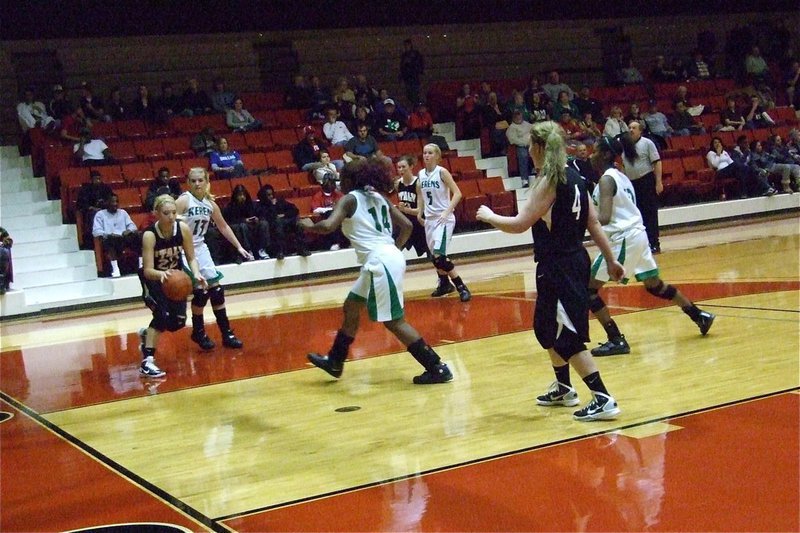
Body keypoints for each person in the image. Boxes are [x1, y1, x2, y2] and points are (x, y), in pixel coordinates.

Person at [476, 121, 624, 421]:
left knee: (565, 334)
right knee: (547, 328)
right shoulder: (577, 176)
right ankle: (564, 387)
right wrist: (610, 259)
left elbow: (519, 224)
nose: (528, 150)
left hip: (559, 265)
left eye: (531, 145)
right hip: (573, 260)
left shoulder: (551, 181)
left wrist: (490, 216)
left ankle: (603, 397)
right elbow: (593, 223)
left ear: (541, 147)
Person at [301, 158, 452, 384]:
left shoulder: (350, 199)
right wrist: (392, 250)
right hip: (383, 258)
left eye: (343, 178)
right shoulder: (379, 197)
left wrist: (307, 226)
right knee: (351, 306)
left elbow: (328, 226)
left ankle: (437, 367)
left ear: (351, 180)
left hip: (380, 261)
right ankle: (335, 361)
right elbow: (407, 226)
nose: (340, 181)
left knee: (394, 321)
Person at [586, 136, 716, 356]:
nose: (591, 154)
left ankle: (616, 339)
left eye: (595, 150)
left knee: (587, 290)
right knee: (654, 285)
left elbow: (605, 218)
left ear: (606, 154)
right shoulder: (621, 175)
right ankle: (698, 315)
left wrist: (582, 217)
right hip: (638, 235)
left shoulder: (607, 180)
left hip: (623, 238)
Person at [176, 168, 253, 351]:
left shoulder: (210, 204)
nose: (197, 184)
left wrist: (239, 247)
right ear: (188, 182)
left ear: (206, 181)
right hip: (184, 249)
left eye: (200, 180)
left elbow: (223, 226)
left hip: (201, 248)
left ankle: (227, 333)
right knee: (201, 292)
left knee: (216, 290)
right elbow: (168, 223)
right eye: (193, 181)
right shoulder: (183, 200)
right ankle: (198, 331)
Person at [138, 194, 207, 378]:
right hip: (154, 279)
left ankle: (147, 335)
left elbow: (191, 257)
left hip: (175, 278)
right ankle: (147, 361)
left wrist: (196, 273)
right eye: (166, 213)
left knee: (177, 323)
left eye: (173, 213)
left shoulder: (182, 228)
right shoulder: (150, 235)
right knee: (160, 315)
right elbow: (148, 270)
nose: (171, 216)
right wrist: (164, 275)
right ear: (156, 214)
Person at [417, 143, 471, 302]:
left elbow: (458, 193)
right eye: (425, 152)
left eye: (430, 153)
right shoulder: (421, 174)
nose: (426, 155)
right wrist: (420, 211)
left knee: (440, 257)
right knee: (435, 258)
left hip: (444, 219)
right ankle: (444, 284)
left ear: (437, 156)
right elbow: (421, 193)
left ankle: (461, 286)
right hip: (430, 220)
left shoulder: (442, 172)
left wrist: (447, 211)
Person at [620, 122, 663, 253]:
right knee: (636, 215)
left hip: (646, 181)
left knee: (650, 213)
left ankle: (654, 242)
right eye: (629, 128)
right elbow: (623, 165)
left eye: (634, 128)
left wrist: (658, 182)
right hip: (632, 184)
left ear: (640, 131)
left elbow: (657, 162)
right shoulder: (625, 146)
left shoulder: (647, 143)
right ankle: (642, 244)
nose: (631, 130)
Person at [707, 137, 775, 198]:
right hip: (720, 172)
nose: (717, 144)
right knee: (739, 166)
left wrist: (721, 153)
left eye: (719, 142)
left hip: (730, 169)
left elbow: (731, 162)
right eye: (715, 142)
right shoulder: (710, 153)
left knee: (746, 170)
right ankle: (761, 182)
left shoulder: (724, 152)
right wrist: (718, 154)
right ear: (712, 145)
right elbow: (715, 164)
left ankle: (762, 189)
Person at [256, 184, 311, 259]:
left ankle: (301, 248)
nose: (271, 197)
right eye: (268, 195)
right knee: (278, 222)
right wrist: (272, 206)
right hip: (272, 226)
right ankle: (280, 251)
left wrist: (284, 215)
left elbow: (294, 210)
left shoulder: (280, 201)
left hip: (285, 222)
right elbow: (267, 217)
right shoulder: (260, 206)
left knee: (298, 223)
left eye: (272, 194)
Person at [92, 193, 141, 277]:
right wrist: (108, 234)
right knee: (110, 240)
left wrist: (128, 230)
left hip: (124, 237)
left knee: (139, 236)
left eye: (116, 201)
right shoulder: (100, 214)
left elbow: (132, 226)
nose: (115, 204)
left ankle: (141, 265)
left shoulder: (123, 213)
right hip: (110, 239)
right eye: (112, 202)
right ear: (107, 202)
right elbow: (96, 231)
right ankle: (115, 269)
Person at [223, 184, 271, 259]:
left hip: (254, 226)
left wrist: (257, 219)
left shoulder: (252, 204)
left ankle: (262, 250)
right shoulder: (230, 207)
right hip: (241, 227)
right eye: (239, 195)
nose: (242, 197)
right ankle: (248, 251)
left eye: (243, 195)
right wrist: (244, 220)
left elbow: (260, 214)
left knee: (264, 223)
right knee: (243, 226)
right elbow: (229, 221)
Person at [395, 154, 429, 258]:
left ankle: (443, 274)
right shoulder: (397, 184)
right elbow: (402, 202)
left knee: (432, 254)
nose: (401, 170)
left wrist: (404, 209)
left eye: (403, 167)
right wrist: (400, 207)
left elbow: (420, 211)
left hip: (418, 223)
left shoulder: (418, 183)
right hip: (405, 223)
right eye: (399, 167)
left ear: (411, 167)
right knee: (394, 249)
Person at [75, 170, 113, 248]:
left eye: (99, 178)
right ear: (91, 180)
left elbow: (112, 199)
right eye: (96, 179)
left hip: (105, 209)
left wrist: (105, 204)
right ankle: (95, 239)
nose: (98, 181)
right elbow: (81, 203)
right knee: (93, 216)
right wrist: (92, 208)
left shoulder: (106, 188)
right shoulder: (85, 189)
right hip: (91, 211)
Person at [506, 110, 534, 186]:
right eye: (517, 118)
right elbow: (513, 140)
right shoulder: (512, 128)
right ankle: (524, 179)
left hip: (532, 144)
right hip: (521, 146)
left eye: (520, 117)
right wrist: (524, 142)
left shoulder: (527, 124)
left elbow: (534, 130)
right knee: (523, 155)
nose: (519, 119)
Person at [399, 39, 424, 105]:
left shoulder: (415, 54)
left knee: (415, 94)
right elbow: (402, 67)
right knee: (409, 95)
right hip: (407, 78)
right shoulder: (404, 56)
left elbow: (420, 65)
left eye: (408, 45)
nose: (406, 47)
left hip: (414, 77)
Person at [0, 227, 13, 296]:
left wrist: (2, 243)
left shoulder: (1, 230)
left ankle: (2, 285)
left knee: (3, 252)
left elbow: (9, 241)